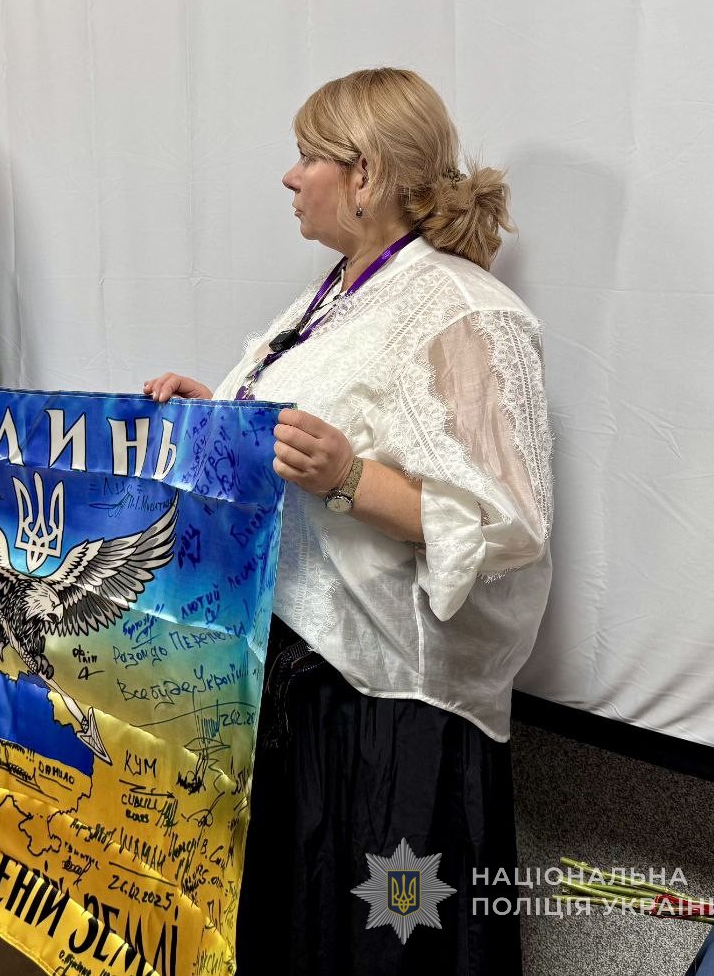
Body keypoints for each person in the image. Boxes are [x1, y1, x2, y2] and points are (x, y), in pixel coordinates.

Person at [144, 68, 552, 975]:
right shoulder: (334, 295)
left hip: (389, 713)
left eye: (307, 157)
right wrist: (225, 419)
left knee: (381, 946)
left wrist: (347, 479)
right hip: (300, 679)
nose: (290, 177)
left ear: (364, 173)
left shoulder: (465, 309)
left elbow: (510, 525)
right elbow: (311, 440)